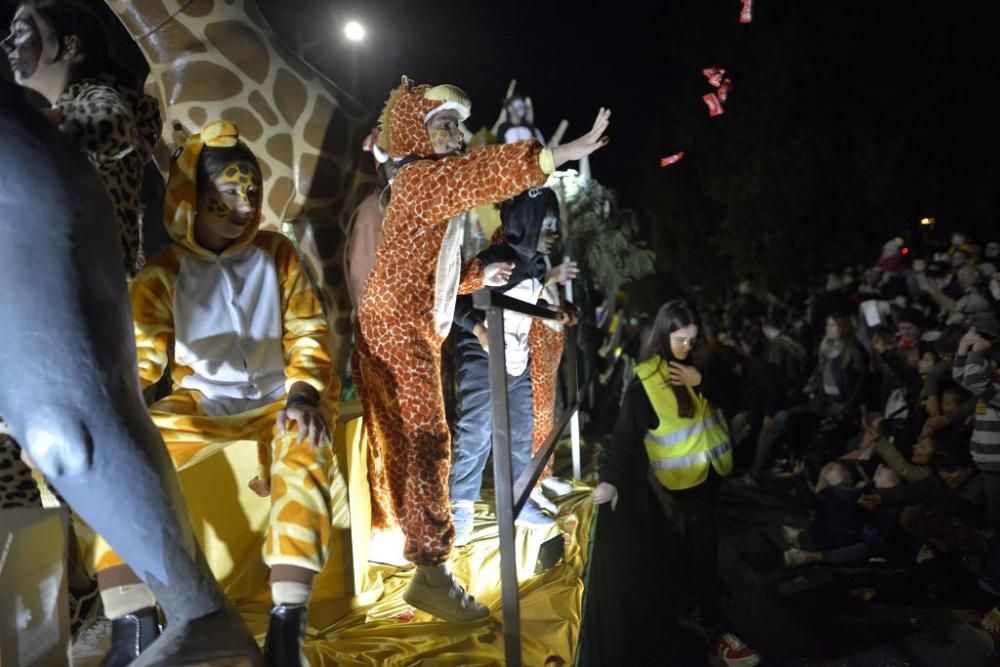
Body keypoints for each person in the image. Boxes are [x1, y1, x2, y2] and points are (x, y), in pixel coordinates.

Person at [353, 75, 610, 622]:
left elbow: (431, 269)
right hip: (399, 323)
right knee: (430, 437)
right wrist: (555, 155)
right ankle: (431, 569)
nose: (458, 135)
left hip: (413, 322)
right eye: (446, 124)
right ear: (414, 133)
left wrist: (476, 273)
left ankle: (418, 551)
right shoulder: (423, 179)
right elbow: (480, 174)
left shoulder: (425, 186)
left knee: (409, 440)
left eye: (459, 126)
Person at [91, 121, 338, 665]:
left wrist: (303, 395)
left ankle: (286, 628)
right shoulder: (159, 277)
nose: (246, 203)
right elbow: (139, 361)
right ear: (192, 198)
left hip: (280, 399)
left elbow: (309, 332)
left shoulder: (279, 255)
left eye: (250, 189)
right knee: (115, 463)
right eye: (230, 190)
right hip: (200, 408)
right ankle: (131, 623)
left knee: (306, 455)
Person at [590, 300, 761, 667]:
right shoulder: (645, 383)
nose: (688, 346)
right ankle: (714, 627)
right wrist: (610, 482)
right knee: (700, 543)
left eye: (694, 339)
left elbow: (738, 396)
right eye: (681, 339)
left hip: (713, 472)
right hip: (681, 483)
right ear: (663, 335)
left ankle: (701, 604)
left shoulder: (704, 366)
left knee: (700, 545)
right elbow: (623, 440)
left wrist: (704, 381)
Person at [448, 187, 576, 544]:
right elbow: (453, 298)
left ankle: (518, 502)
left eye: (554, 228)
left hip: (517, 359)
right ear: (528, 223)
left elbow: (526, 307)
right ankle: (461, 507)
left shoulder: (535, 264)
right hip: (482, 357)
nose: (553, 236)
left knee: (521, 433)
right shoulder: (493, 259)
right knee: (476, 431)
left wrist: (556, 312)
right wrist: (478, 330)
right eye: (547, 227)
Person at [1, 0, 160, 278]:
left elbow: (113, 126)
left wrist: (27, 126)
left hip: (85, 280)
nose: (7, 43)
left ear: (70, 46)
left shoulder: (96, 94)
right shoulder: (78, 101)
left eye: (21, 32)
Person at [952, 312, 1000, 529]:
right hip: (984, 461)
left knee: (995, 520)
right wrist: (963, 348)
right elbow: (962, 378)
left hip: (995, 463)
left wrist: (977, 351)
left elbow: (972, 379)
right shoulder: (989, 387)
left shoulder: (995, 391)